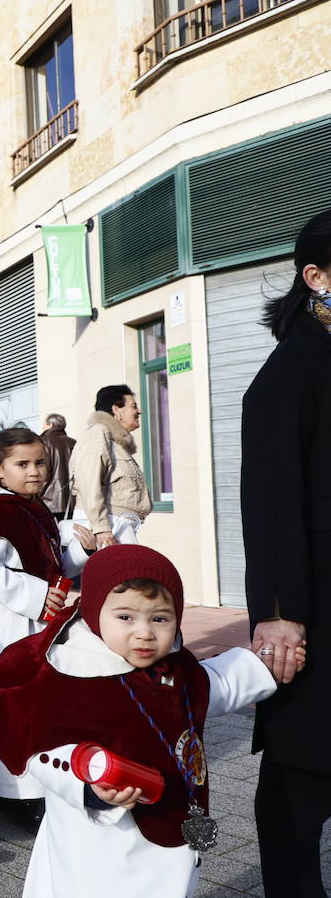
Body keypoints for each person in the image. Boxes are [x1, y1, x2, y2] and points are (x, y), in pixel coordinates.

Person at [0, 545, 285, 897]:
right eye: (125, 617)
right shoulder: (70, 673)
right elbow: (45, 750)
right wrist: (90, 786)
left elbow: (213, 685)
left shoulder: (174, 667)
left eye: (160, 618)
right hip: (100, 840)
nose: (144, 632)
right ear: (95, 613)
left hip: (171, 824)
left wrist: (267, 663)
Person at [241, 208, 331, 896]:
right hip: (317, 620)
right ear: (316, 277)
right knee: (297, 795)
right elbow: (272, 508)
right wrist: (278, 614)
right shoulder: (291, 372)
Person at [0, 427, 91, 830]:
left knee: (40, 702)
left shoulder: (32, 506)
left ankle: (39, 784)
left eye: (39, 462)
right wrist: (37, 595)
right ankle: (12, 792)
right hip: (8, 623)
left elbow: (52, 562)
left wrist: (82, 550)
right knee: (13, 700)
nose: (35, 471)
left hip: (39, 619)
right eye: (22, 464)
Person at [71, 385, 151, 548]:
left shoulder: (115, 441)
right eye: (133, 406)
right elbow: (89, 481)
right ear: (116, 410)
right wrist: (100, 528)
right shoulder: (99, 433)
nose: (139, 411)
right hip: (107, 530)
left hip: (119, 527)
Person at [40, 413, 75, 520]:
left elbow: (43, 473)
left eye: (44, 424)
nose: (42, 427)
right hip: (71, 501)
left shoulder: (43, 442)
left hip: (48, 501)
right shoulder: (74, 443)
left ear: (50, 425)